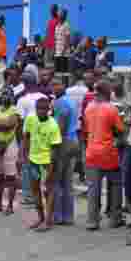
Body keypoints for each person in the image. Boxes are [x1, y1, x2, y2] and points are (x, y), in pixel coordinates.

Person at [83, 79, 125, 230]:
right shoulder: (111, 109)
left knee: (93, 188)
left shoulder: (88, 108)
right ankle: (115, 218)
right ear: (107, 92)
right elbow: (119, 130)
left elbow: (86, 129)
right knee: (115, 185)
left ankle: (92, 221)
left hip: (91, 152)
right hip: (108, 153)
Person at [22, 96, 61, 231]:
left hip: (47, 162)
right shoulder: (30, 119)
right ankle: (40, 217)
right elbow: (26, 137)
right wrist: (23, 156)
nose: (41, 112)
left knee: (48, 190)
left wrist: (50, 171)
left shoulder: (53, 125)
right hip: (33, 160)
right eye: (39, 109)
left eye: (44, 109)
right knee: (35, 190)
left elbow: (55, 151)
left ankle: (48, 220)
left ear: (49, 110)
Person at [0, 87, 21, 215]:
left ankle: (10, 206)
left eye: (8, 94)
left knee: (10, 177)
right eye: (3, 94)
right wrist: (0, 125)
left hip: (10, 145)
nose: (5, 96)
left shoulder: (15, 110)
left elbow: (10, 125)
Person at [50, 77, 80, 225]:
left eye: (57, 84)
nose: (54, 88)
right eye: (53, 85)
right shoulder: (71, 101)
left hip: (63, 142)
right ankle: (69, 216)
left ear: (64, 86)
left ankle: (58, 215)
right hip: (74, 141)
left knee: (57, 180)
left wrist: (53, 146)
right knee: (67, 182)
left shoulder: (60, 103)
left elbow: (60, 127)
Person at [54, 9, 72, 74]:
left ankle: (65, 84)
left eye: (61, 14)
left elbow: (67, 40)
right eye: (59, 14)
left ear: (64, 16)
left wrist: (63, 52)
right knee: (58, 72)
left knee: (65, 73)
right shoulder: (57, 26)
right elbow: (56, 39)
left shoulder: (66, 25)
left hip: (64, 54)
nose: (59, 15)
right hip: (57, 52)